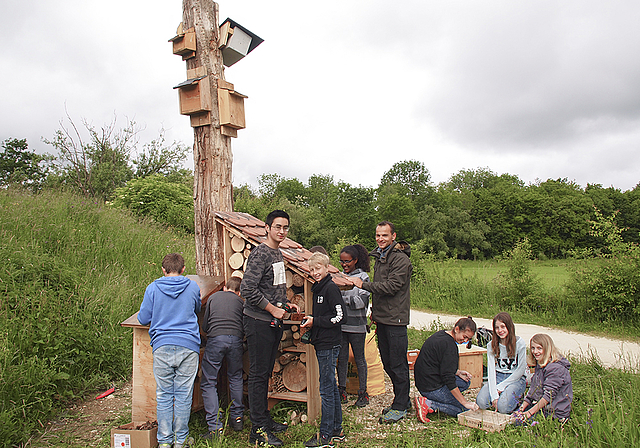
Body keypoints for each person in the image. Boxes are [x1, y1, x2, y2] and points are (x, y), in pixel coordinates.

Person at [240, 210, 300, 447]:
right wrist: (272, 309)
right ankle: (258, 431)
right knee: (257, 375)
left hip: (273, 321)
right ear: (267, 228)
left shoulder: (277, 252)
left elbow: (272, 287)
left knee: (265, 373)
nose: (282, 231)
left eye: (285, 227)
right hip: (258, 322)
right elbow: (247, 290)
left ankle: (264, 418)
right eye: (277, 227)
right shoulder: (260, 254)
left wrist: (285, 305)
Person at [350, 221, 412, 423]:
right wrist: (374, 314)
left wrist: (365, 285)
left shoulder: (400, 259)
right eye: (378, 235)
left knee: (398, 363)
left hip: (396, 320)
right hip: (383, 318)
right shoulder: (381, 256)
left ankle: (401, 405)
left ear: (393, 236)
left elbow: (392, 286)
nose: (380, 239)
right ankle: (402, 400)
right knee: (387, 362)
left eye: (384, 235)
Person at [137, 253, 201, 448]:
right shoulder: (192, 286)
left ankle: (164, 441)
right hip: (188, 345)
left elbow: (142, 318)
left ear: (163, 270)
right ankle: (180, 441)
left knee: (164, 394)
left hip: (162, 345)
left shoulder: (153, 288)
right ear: (183, 270)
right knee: (183, 394)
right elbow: (196, 308)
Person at [300, 252, 346, 448]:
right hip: (322, 343)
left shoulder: (330, 288)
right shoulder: (317, 289)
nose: (315, 272)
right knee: (331, 387)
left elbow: (340, 317)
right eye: (312, 270)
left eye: (318, 268)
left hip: (329, 344)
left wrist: (316, 321)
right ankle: (337, 430)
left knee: (326, 389)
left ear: (326, 268)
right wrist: (312, 321)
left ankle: (325, 436)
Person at [200, 276, 245, 439]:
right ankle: (237, 418)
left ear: (225, 288)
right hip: (235, 340)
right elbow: (244, 325)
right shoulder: (241, 303)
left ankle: (215, 427)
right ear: (239, 292)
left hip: (216, 339)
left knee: (209, 381)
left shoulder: (213, 297)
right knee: (235, 377)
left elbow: (205, 326)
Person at [413, 317, 479, 420]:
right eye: (465, 337)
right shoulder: (450, 347)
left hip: (424, 382)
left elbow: (438, 363)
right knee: (464, 411)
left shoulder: (442, 335)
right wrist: (465, 403)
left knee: (465, 382)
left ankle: (442, 399)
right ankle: (429, 404)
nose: (465, 341)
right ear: (457, 329)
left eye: (468, 339)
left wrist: (457, 372)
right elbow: (448, 379)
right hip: (431, 388)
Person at [336, 244, 371, 407]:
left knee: (359, 359)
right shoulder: (338, 276)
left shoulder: (363, 278)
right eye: (342, 261)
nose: (344, 265)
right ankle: (341, 390)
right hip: (341, 326)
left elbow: (361, 302)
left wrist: (341, 301)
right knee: (341, 359)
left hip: (357, 326)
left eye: (347, 261)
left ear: (355, 260)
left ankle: (363, 393)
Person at [513, 334, 573, 422]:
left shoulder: (556, 368)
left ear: (547, 349)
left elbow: (548, 396)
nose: (535, 351)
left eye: (539, 348)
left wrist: (529, 413)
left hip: (554, 412)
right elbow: (532, 391)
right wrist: (521, 409)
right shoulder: (541, 364)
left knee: (519, 423)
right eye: (533, 348)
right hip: (543, 407)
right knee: (515, 417)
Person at [476, 312, 527, 414]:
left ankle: (515, 399)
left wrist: (501, 387)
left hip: (516, 378)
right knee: (480, 402)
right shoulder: (491, 345)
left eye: (503, 327)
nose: (500, 331)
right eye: (497, 328)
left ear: (509, 326)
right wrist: (494, 394)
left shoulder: (519, 343)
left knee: (503, 407)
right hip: (498, 375)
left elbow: (521, 370)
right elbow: (491, 370)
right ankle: (498, 399)